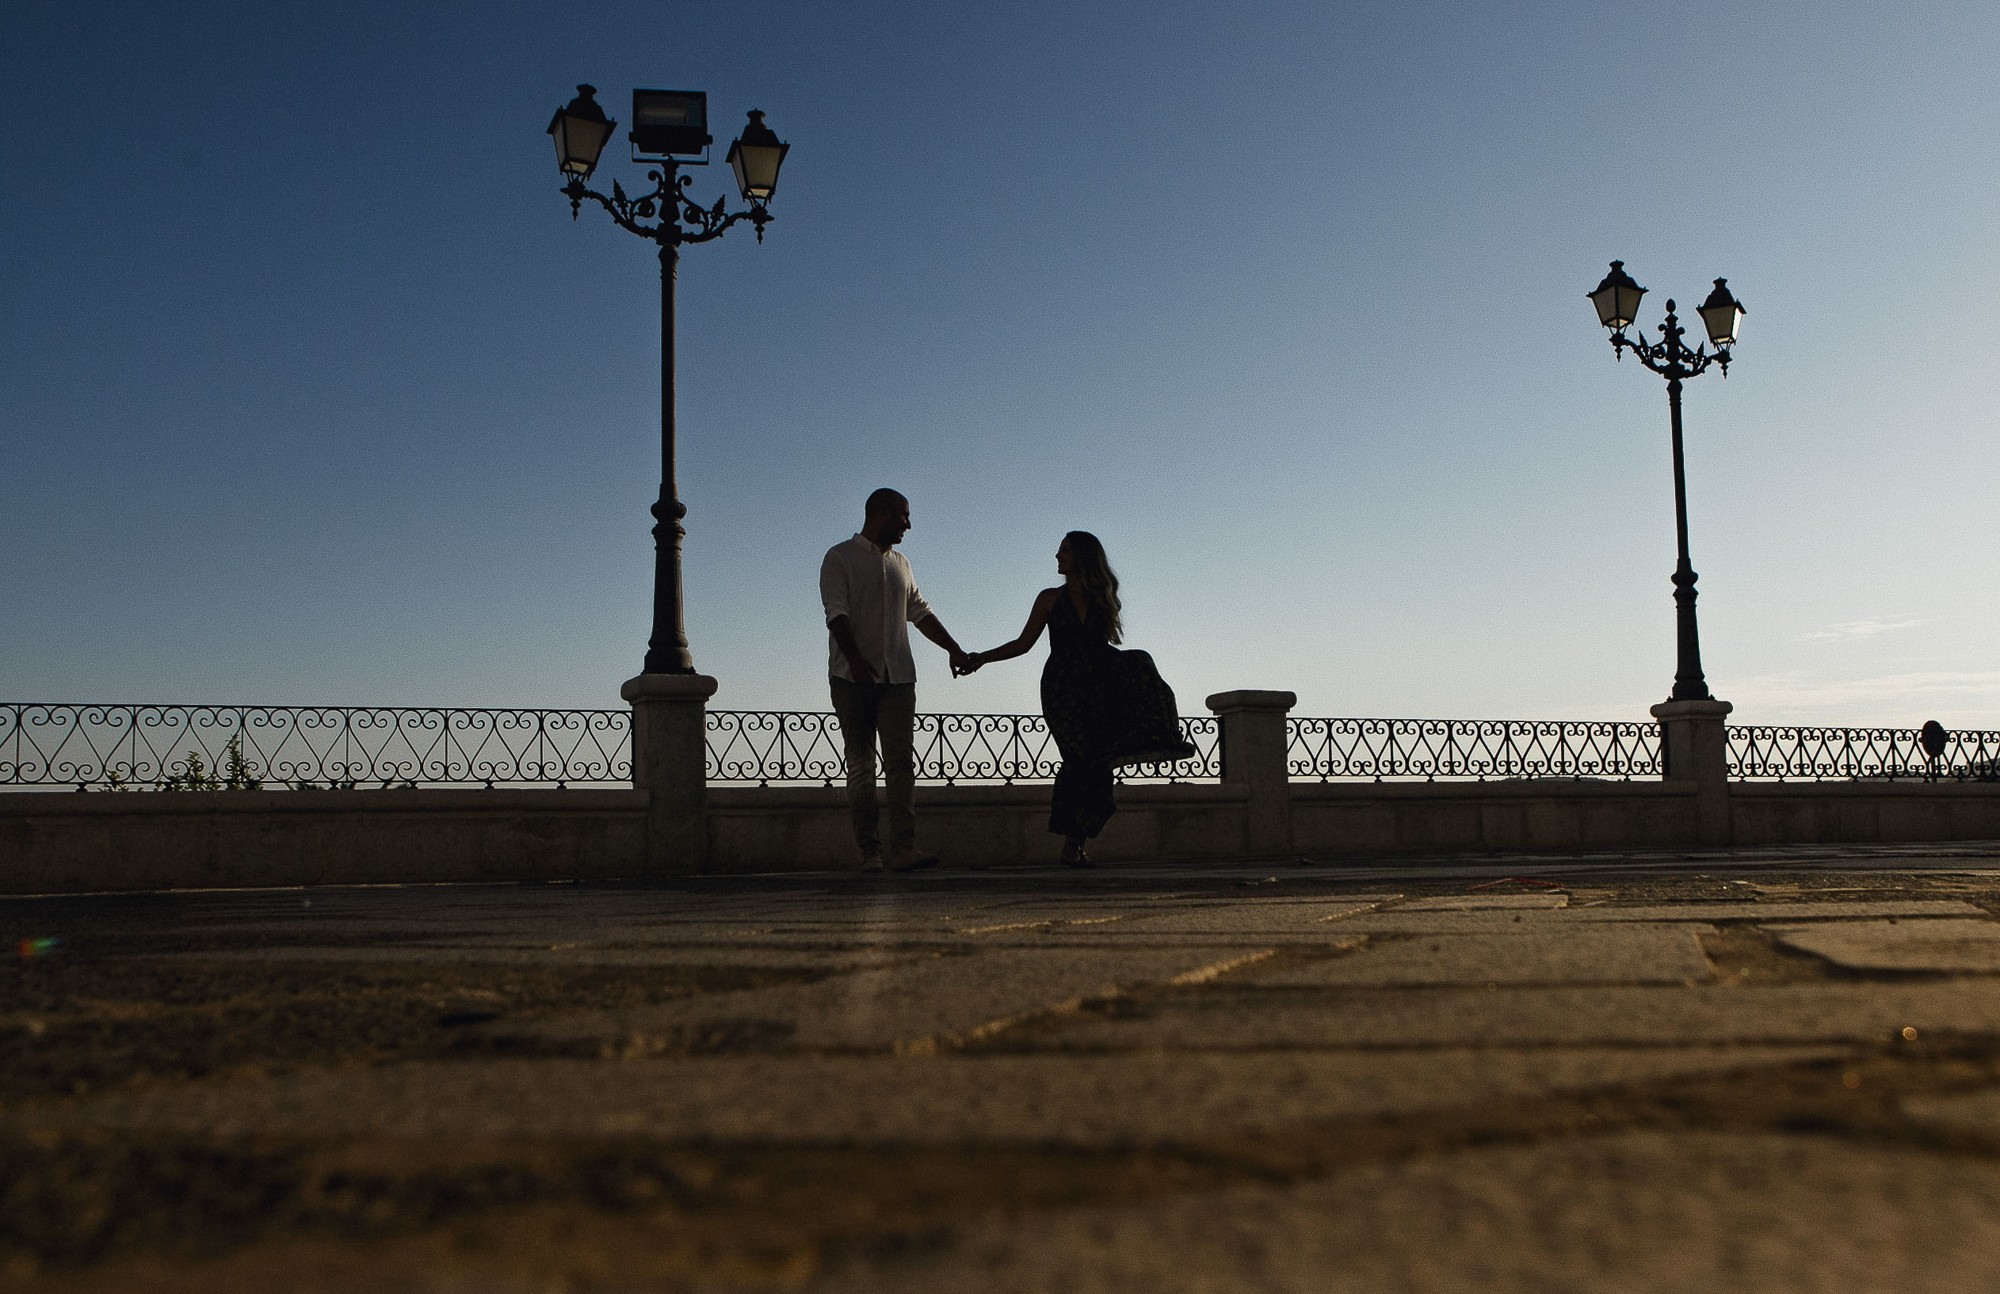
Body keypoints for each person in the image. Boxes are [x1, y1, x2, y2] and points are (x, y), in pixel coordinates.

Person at [960, 531, 1195, 867]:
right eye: (1059, 550)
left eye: (1065, 550)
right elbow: (1023, 643)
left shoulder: (1103, 597)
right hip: (1062, 688)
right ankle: (1071, 844)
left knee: (1098, 760)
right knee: (1078, 756)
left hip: (1099, 688)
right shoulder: (1049, 599)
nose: (1058, 556)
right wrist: (982, 658)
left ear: (1083, 555)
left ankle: (1078, 842)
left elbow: (1105, 647)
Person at [820, 488, 972, 873]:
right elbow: (836, 613)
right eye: (903, 515)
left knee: (901, 763)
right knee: (861, 766)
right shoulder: (839, 558)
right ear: (881, 513)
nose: (909, 523)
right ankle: (870, 851)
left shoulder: (901, 564)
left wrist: (953, 649)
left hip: (899, 678)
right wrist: (855, 661)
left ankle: (904, 849)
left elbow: (919, 612)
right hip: (851, 678)